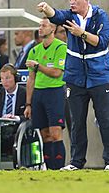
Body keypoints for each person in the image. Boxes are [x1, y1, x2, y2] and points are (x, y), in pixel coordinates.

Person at [37, 0, 109, 170]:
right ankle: (76, 162)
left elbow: (102, 42)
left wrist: (80, 33)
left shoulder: (101, 16)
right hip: (75, 78)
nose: (71, 2)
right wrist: (46, 8)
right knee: (76, 122)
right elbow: (56, 16)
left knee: (105, 120)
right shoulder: (69, 16)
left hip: (99, 77)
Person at [24, 17, 67, 170]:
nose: (40, 28)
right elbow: (31, 79)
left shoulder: (60, 47)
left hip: (55, 93)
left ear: (53, 29)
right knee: (44, 134)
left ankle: (60, 168)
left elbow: (56, 72)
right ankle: (49, 169)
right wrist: (28, 103)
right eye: (39, 25)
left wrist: (38, 66)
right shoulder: (34, 50)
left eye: (44, 25)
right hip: (39, 94)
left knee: (55, 133)